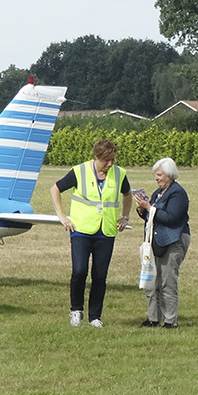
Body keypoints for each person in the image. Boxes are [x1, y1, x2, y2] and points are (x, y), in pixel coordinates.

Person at [49, 139, 133, 328]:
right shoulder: (79, 171)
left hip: (106, 231)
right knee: (79, 271)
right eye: (106, 160)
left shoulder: (120, 174)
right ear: (96, 157)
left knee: (100, 275)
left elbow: (128, 194)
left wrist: (125, 216)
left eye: (112, 160)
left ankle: (95, 316)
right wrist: (63, 217)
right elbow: (55, 189)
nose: (110, 164)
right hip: (81, 230)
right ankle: (75, 310)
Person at [135, 158, 190, 329]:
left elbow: (171, 218)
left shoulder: (177, 193)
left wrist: (150, 208)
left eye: (159, 175)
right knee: (151, 281)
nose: (156, 178)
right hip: (155, 241)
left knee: (167, 281)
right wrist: (142, 210)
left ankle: (170, 321)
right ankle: (153, 318)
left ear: (169, 174)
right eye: (155, 175)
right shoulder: (157, 193)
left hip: (173, 241)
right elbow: (153, 217)